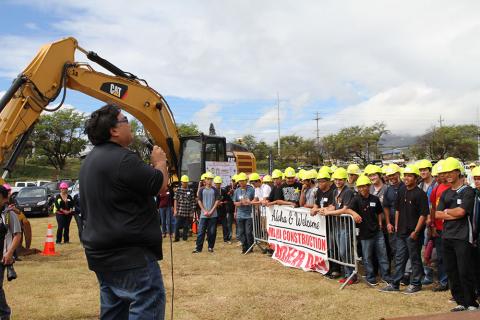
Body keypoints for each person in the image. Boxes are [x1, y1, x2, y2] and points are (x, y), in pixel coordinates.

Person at [80, 104, 168, 319]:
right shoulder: (123, 159)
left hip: (100, 253)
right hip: (131, 255)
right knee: (147, 304)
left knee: (114, 310)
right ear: (114, 130)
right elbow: (160, 185)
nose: (130, 125)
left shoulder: (89, 161)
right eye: (125, 120)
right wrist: (160, 162)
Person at [436, 157, 478, 312]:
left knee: (464, 270)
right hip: (447, 236)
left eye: (450, 172)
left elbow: (462, 212)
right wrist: (450, 213)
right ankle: (460, 301)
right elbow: (438, 214)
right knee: (452, 270)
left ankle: (471, 302)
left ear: (458, 172)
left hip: (462, 236)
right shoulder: (446, 193)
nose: (447, 175)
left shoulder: (468, 191)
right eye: (445, 173)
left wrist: (448, 212)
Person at [380, 165, 429, 294]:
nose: (406, 178)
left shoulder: (420, 194)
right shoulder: (402, 191)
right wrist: (396, 226)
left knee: (415, 259)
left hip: (413, 233)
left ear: (416, 178)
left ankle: (416, 283)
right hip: (401, 232)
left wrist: (416, 231)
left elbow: (423, 215)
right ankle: (395, 284)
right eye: (405, 175)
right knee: (400, 258)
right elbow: (397, 210)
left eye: (410, 176)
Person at [345, 175, 391, 286]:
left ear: (368, 186)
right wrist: (354, 213)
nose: (362, 189)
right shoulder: (356, 199)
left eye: (364, 186)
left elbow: (379, 212)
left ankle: (386, 276)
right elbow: (347, 209)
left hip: (377, 232)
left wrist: (380, 223)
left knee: (383, 255)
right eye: (360, 187)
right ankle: (370, 278)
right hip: (365, 234)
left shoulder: (374, 199)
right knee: (367, 257)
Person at [321, 167, 356, 284]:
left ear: (345, 180)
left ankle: (351, 275)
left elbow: (345, 209)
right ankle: (347, 274)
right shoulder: (335, 191)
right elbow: (333, 206)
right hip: (336, 225)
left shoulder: (348, 192)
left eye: (340, 179)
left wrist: (328, 212)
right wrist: (323, 209)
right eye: (336, 179)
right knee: (340, 252)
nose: (337, 182)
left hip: (345, 226)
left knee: (344, 251)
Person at [0, 185, 21, 320]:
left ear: (3, 198)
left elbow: (17, 235)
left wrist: (10, 253)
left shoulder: (8, 214)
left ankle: (4, 313)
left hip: (2, 256)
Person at [427, 160, 449, 292]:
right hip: (439, 229)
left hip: (453, 228)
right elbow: (433, 208)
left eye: (443, 173)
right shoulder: (436, 189)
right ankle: (443, 281)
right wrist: (433, 225)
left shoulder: (456, 188)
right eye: (439, 174)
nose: (440, 176)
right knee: (441, 257)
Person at [383, 164, 404, 266]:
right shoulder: (388, 189)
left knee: (405, 248)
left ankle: (407, 272)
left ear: (398, 174)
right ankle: (398, 269)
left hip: (404, 224)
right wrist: (388, 223)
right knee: (394, 247)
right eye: (389, 175)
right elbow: (386, 207)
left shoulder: (405, 187)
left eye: (393, 175)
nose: (392, 177)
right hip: (392, 224)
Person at [193, 171, 220, 253]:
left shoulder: (215, 190)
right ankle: (198, 248)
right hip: (203, 215)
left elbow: (217, 201)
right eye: (208, 179)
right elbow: (199, 201)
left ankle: (210, 247)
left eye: (211, 179)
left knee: (212, 232)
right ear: (205, 180)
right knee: (201, 232)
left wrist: (211, 211)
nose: (209, 180)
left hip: (213, 215)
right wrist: (204, 211)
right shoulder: (201, 190)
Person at [233, 172, 255, 254]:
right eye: (240, 181)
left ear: (246, 181)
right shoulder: (237, 191)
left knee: (248, 232)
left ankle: (250, 247)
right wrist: (240, 203)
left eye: (243, 180)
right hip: (240, 215)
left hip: (249, 214)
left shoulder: (251, 189)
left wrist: (250, 202)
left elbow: (255, 199)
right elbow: (235, 202)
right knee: (241, 232)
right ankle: (244, 247)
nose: (241, 182)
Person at [173, 175, 196, 242]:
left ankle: (184, 238)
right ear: (181, 182)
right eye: (184, 182)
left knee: (186, 226)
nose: (185, 183)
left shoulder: (190, 190)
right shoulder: (178, 190)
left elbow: (193, 201)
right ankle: (176, 238)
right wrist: (175, 210)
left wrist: (192, 212)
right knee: (177, 225)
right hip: (179, 212)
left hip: (187, 212)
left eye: (186, 182)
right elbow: (175, 200)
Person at [214, 176, 231, 243]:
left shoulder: (223, 191)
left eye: (219, 183)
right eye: (216, 183)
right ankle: (211, 238)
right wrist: (216, 203)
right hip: (214, 211)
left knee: (225, 226)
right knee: (213, 226)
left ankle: (226, 239)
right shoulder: (212, 191)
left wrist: (223, 202)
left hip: (223, 211)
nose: (218, 185)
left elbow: (229, 200)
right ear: (214, 183)